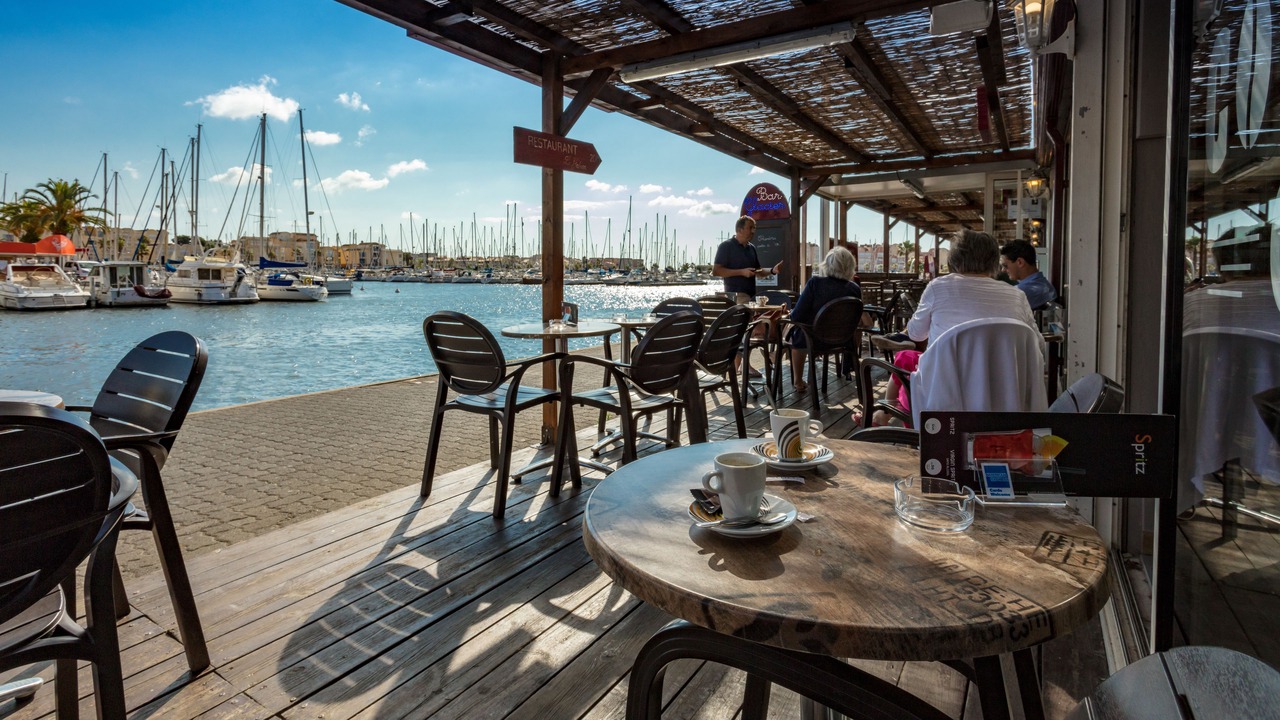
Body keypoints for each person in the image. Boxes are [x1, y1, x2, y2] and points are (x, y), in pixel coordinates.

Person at [869, 230, 1036, 426]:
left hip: (943, 395)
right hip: (1004, 393)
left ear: (955, 259)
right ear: (994, 261)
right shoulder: (1017, 296)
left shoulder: (937, 287)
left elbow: (915, 334)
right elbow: (1037, 346)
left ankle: (889, 414)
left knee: (910, 363)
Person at [786, 247, 860, 393]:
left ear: (827, 265)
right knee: (802, 330)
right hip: (844, 341)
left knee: (799, 330)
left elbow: (797, 316)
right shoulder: (854, 289)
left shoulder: (815, 283)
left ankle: (798, 380)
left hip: (814, 339)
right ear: (850, 266)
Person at [713, 215, 782, 304]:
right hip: (735, 296)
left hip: (752, 297)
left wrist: (772, 270)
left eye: (754, 228)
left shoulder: (751, 248)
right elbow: (716, 271)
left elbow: (758, 271)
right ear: (739, 230)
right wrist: (742, 272)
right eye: (750, 228)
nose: (753, 231)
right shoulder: (726, 246)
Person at [999, 239, 1057, 310]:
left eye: (1005, 266)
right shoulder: (1043, 285)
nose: (1003, 270)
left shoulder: (1024, 291)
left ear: (1020, 262)